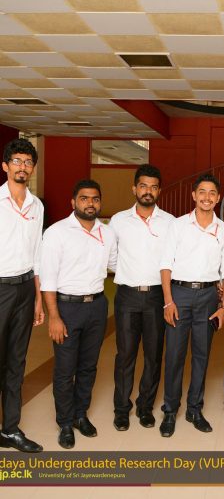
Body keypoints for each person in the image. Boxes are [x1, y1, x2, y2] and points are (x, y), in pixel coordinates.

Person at [40, 179, 117, 449]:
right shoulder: (57, 232)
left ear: (100, 202)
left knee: (88, 366)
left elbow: (116, 264)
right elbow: (48, 279)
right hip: (67, 308)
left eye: (95, 199)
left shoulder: (107, 233)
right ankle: (64, 422)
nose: (90, 203)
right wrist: (54, 316)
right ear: (73, 202)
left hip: (97, 305)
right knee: (65, 368)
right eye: (84, 198)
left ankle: (80, 414)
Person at [159, 174, 224, 437]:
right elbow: (165, 265)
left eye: (212, 193)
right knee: (175, 355)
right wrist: (168, 301)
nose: (207, 197)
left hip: (208, 297)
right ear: (194, 195)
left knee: (202, 354)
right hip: (179, 294)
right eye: (202, 192)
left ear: (218, 197)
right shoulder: (178, 225)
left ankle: (194, 408)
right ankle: (170, 410)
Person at [109, 164, 174, 432]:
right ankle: (121, 409)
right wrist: (128, 273)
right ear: (134, 188)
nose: (148, 191)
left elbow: (173, 259)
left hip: (157, 296)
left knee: (153, 355)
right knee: (125, 355)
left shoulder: (170, 222)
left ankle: (145, 407)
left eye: (153, 187)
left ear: (159, 191)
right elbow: (111, 256)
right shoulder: (118, 220)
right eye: (143, 186)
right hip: (127, 295)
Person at [0, 138, 44, 453]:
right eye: (17, 161)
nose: (22, 167)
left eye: (28, 162)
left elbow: (38, 254)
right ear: (5, 166)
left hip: (26, 288)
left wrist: (39, 298)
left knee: (17, 360)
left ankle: (10, 429)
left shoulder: (37, 205)